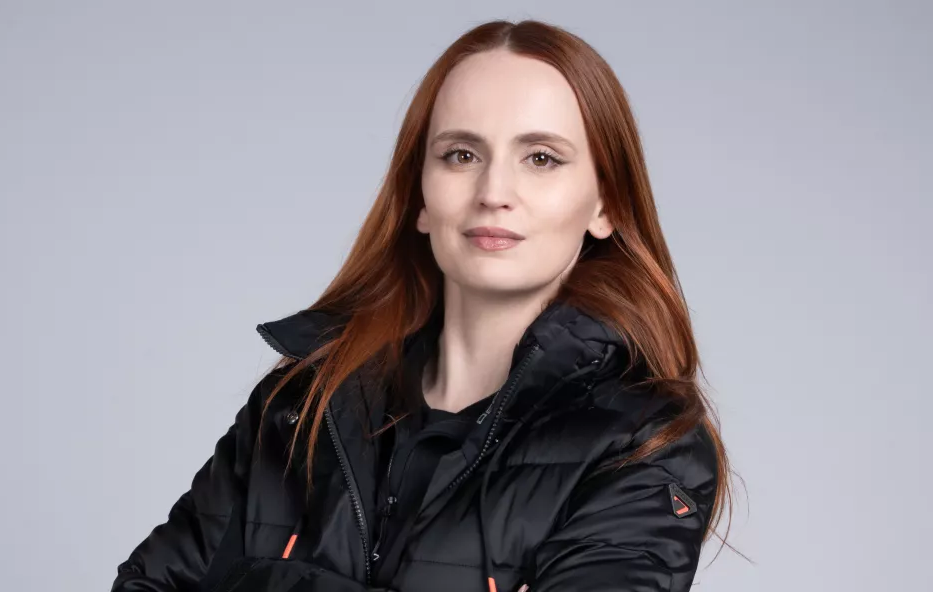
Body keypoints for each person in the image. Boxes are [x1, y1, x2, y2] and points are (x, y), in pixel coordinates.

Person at [112, 18, 733, 592]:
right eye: (461, 155)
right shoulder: (297, 406)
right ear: (420, 197)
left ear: (606, 204)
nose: (493, 191)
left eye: (541, 158)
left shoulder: (646, 444)